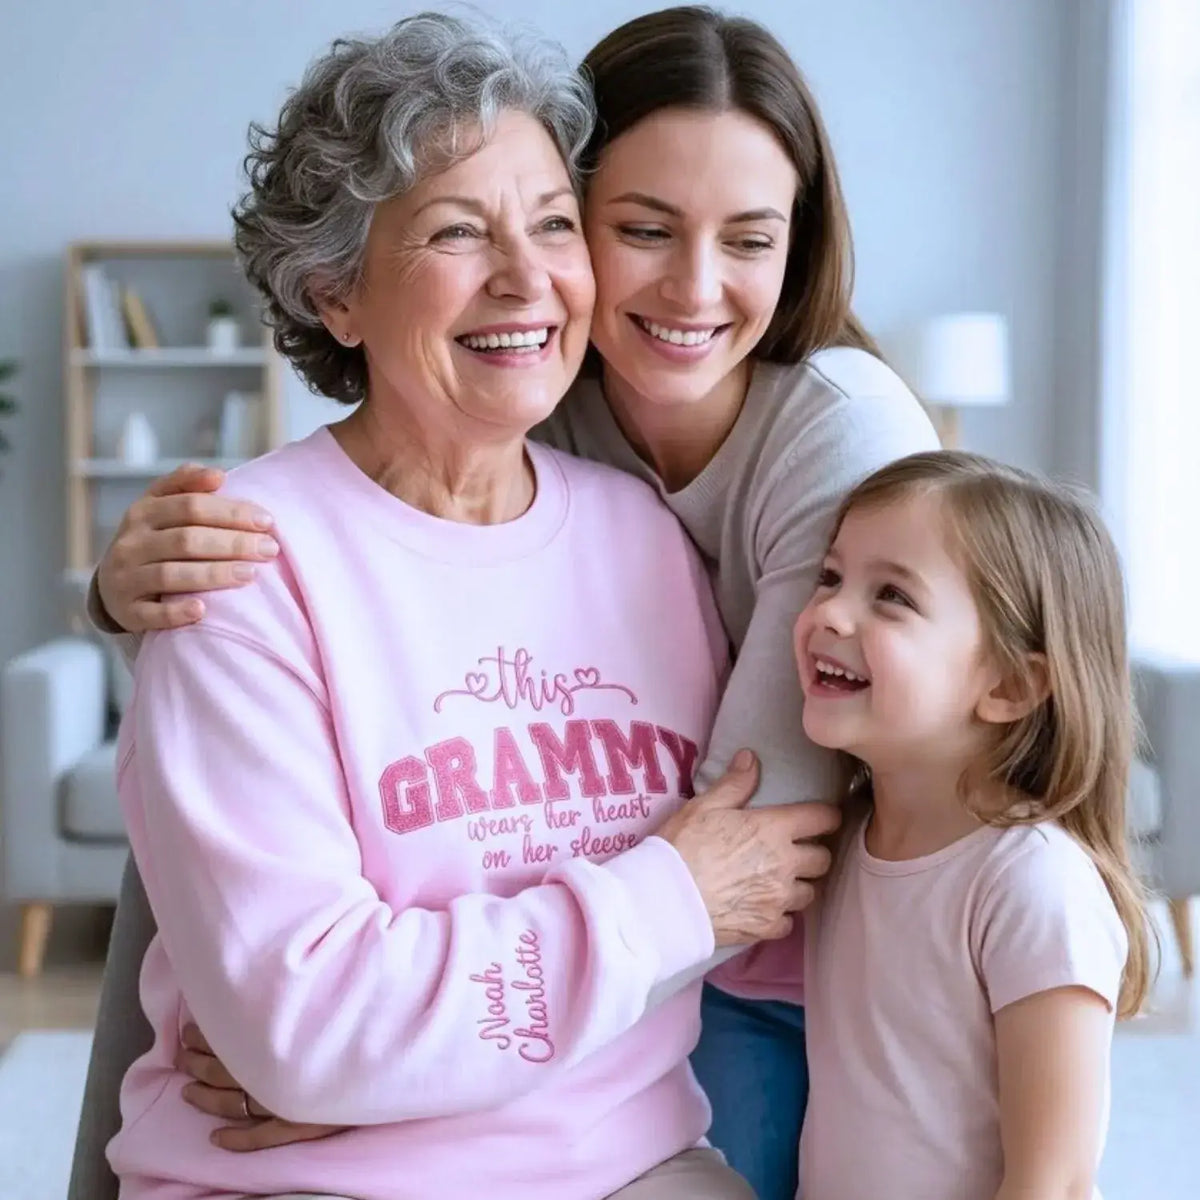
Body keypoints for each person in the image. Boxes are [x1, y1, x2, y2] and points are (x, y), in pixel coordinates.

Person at [88, 7, 937, 1198]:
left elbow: (755, 858)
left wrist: (394, 1058)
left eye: (550, 223)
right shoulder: (240, 564)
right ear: (336, 294)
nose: (527, 278)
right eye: (456, 230)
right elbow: (312, 1027)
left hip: (630, 1156)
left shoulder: (659, 527)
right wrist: (660, 903)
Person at [793, 450, 1152, 1199]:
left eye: (892, 596)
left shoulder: (1032, 884)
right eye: (830, 577)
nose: (829, 611)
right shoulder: (842, 846)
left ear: (1011, 686)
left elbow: (1053, 1182)